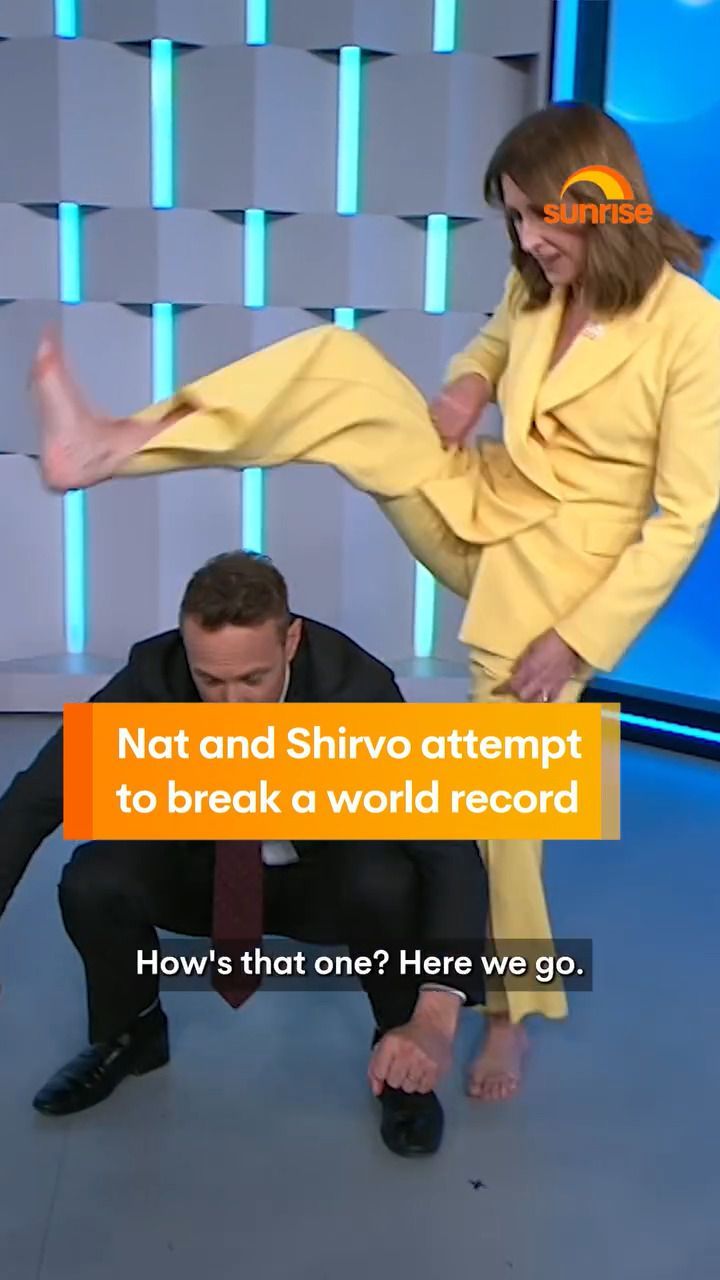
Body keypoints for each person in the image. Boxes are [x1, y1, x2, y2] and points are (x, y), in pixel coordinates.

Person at [29, 101, 720, 1101]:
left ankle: (508, 1014)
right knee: (343, 366)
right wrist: (467, 387)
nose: (527, 238)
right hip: (482, 499)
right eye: (514, 218)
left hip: (561, 586)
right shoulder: (538, 280)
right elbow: (494, 343)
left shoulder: (693, 329)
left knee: (505, 819)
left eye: (540, 216)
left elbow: (686, 514)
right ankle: (115, 444)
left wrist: (577, 641)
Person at [0, 551, 490, 1157]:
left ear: (291, 641)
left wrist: (435, 1017)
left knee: (387, 881)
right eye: (211, 681)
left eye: (253, 680)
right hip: (206, 874)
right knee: (94, 877)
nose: (231, 705)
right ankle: (132, 1035)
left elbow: (449, 849)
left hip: (322, 880)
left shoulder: (354, 691)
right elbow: (31, 802)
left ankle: (401, 1058)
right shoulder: (153, 677)